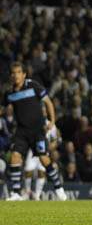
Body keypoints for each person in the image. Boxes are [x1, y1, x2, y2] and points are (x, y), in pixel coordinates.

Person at [1, 62, 67, 201]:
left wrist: (52, 121)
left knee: (44, 159)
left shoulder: (33, 86)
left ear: (24, 74)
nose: (15, 75)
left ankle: (58, 188)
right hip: (21, 132)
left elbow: (48, 102)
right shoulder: (9, 93)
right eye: (13, 73)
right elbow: (1, 109)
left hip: (37, 131)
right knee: (14, 157)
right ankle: (16, 193)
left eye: (18, 72)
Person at [22, 124, 61, 200]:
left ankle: (37, 195)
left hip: (44, 152)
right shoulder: (35, 121)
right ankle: (27, 192)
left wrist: (53, 144)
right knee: (28, 171)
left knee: (41, 172)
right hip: (33, 150)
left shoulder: (52, 125)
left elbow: (56, 139)